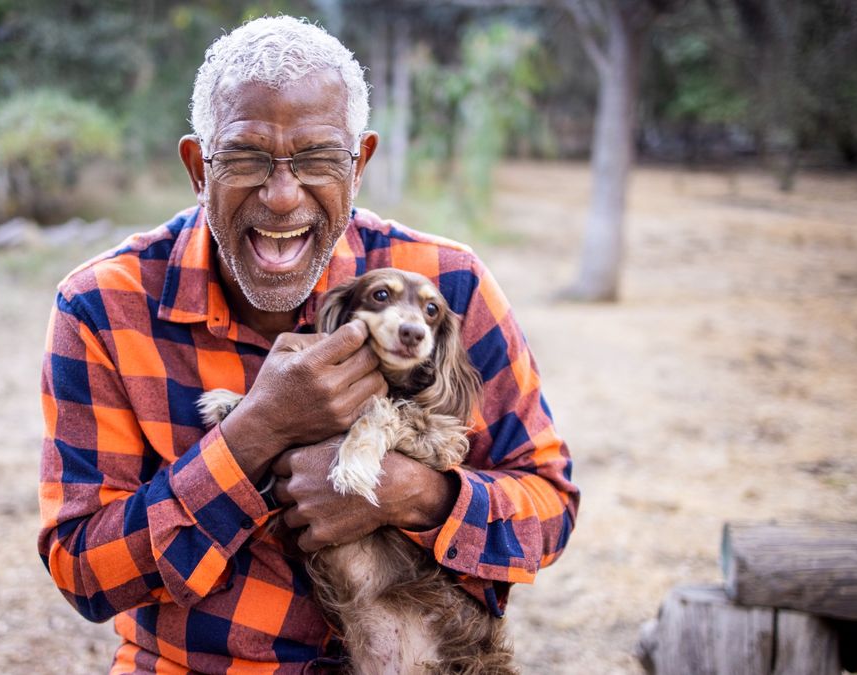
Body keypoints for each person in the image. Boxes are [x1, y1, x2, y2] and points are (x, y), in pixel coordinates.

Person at [38, 15, 579, 674]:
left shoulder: (448, 287)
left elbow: (549, 507)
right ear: (197, 167)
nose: (283, 194)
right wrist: (258, 429)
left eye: (319, 158)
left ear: (360, 165)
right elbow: (83, 570)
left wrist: (415, 495)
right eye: (245, 157)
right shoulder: (103, 306)